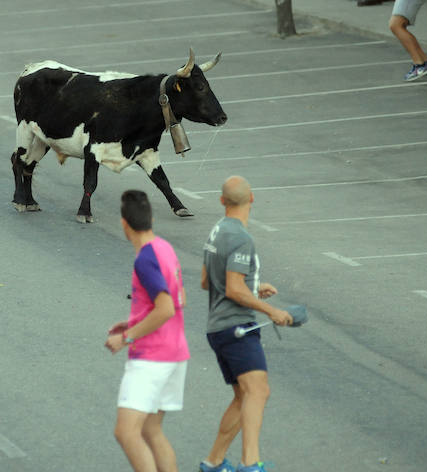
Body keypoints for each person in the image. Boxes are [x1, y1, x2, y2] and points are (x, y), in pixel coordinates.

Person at [198, 176, 292, 472]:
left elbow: (206, 281)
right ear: (252, 198)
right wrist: (271, 310)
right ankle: (250, 464)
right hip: (236, 327)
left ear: (221, 201)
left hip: (217, 327)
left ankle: (213, 462)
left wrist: (253, 286)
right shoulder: (241, 237)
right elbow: (233, 289)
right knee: (258, 392)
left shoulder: (217, 231)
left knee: (243, 396)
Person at [105, 190, 189, 472]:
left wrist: (126, 337)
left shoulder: (145, 259)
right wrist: (134, 321)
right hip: (175, 352)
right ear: (151, 219)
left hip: (153, 357)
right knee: (151, 431)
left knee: (126, 432)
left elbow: (165, 309)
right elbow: (179, 299)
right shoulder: (165, 248)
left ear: (124, 224)